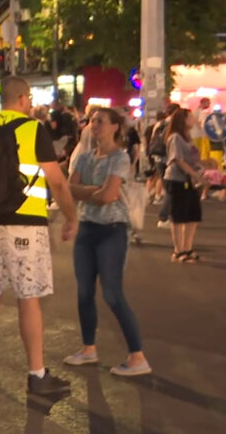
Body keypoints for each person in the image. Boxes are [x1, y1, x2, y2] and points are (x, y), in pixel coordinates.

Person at [0, 76, 77, 396]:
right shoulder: (32, 129)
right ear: (24, 99)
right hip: (25, 223)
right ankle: (36, 375)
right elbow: (57, 181)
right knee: (29, 298)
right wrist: (71, 217)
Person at [66, 108, 152, 377]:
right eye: (92, 121)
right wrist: (97, 191)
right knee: (83, 293)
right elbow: (70, 190)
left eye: (101, 122)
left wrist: (92, 193)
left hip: (112, 230)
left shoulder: (120, 158)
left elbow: (109, 196)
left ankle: (137, 356)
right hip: (87, 229)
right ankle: (88, 348)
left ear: (116, 127)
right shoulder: (84, 158)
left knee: (112, 294)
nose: (95, 126)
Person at [163, 108, 203, 263]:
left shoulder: (188, 137)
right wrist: (195, 174)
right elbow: (178, 160)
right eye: (191, 116)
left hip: (191, 181)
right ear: (183, 120)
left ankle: (188, 248)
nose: (194, 118)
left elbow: (192, 159)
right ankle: (178, 251)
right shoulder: (175, 138)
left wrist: (203, 166)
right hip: (177, 180)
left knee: (193, 215)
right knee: (179, 216)